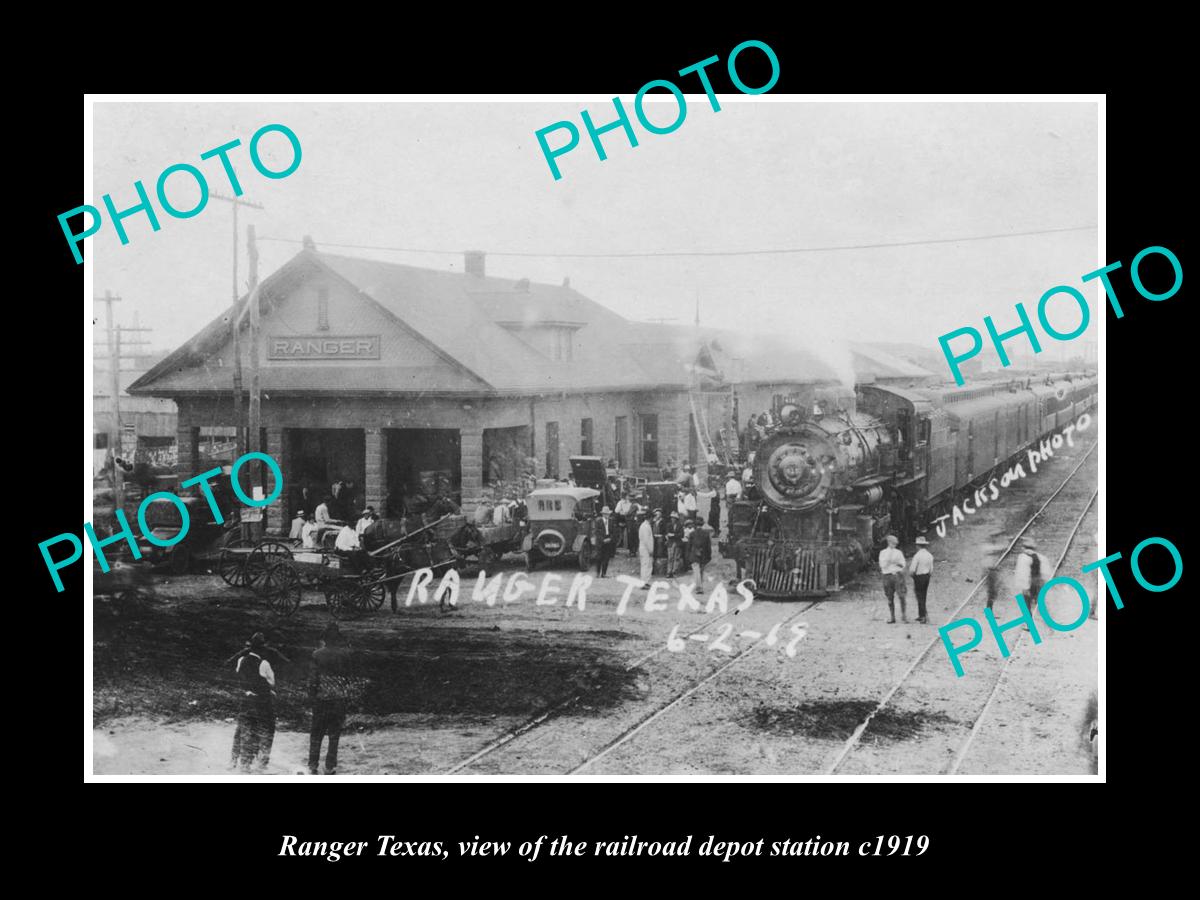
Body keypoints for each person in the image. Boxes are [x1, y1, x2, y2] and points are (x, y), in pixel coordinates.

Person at [308, 623, 359, 775]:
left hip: (321, 700)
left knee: (316, 734)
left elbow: (313, 680)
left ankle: (312, 765)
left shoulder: (316, 654)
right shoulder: (345, 655)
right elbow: (349, 678)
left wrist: (311, 698)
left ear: (325, 639)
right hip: (339, 700)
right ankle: (330, 767)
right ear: (337, 639)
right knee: (334, 735)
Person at [232, 632, 276, 773]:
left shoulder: (241, 661)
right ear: (262, 649)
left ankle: (242, 763)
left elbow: (239, 677)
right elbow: (272, 683)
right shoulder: (264, 664)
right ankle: (261, 763)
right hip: (261, 704)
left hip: (246, 701)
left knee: (244, 732)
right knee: (266, 732)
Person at [878, 534, 908, 624]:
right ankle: (892, 617)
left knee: (902, 596)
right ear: (889, 543)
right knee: (889, 597)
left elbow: (903, 564)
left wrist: (894, 563)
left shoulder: (898, 552)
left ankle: (904, 616)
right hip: (887, 576)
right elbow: (882, 565)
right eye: (892, 543)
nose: (894, 545)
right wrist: (892, 561)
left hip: (897, 575)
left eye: (895, 544)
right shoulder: (883, 553)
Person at [1014, 538, 1051, 610]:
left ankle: (1030, 618)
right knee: (1039, 602)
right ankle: (1041, 616)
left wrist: (1024, 586)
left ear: (1024, 547)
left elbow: (1022, 573)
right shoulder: (1042, 557)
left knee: (1027, 603)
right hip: (1039, 583)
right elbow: (1046, 573)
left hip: (1029, 583)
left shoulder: (1022, 557)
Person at [909, 535, 934, 624]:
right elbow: (931, 569)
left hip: (919, 577)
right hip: (927, 576)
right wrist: (928, 575)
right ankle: (921, 614)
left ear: (918, 546)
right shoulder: (929, 555)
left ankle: (923, 616)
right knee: (924, 595)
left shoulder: (917, 556)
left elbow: (912, 569)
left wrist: (913, 576)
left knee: (919, 596)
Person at [689, 516, 712, 591]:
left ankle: (699, 587)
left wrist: (688, 556)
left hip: (694, 554)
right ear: (702, 524)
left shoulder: (692, 534)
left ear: (695, 524)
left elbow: (689, 546)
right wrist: (709, 556)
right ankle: (699, 585)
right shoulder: (706, 534)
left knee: (696, 571)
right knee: (701, 571)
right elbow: (708, 546)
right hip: (703, 554)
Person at [592, 506, 616, 577]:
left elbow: (614, 532)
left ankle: (604, 573)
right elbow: (596, 532)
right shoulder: (598, 521)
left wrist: (610, 539)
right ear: (602, 514)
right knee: (599, 557)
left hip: (608, 540)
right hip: (600, 541)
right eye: (605, 514)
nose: (606, 515)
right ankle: (598, 573)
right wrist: (602, 540)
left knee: (606, 558)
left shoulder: (611, 521)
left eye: (608, 514)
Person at [637, 511, 655, 589]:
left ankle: (646, 581)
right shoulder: (645, 526)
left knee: (648, 565)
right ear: (650, 518)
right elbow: (646, 540)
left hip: (645, 548)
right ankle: (643, 582)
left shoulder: (646, 525)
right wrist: (650, 550)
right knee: (645, 565)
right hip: (645, 549)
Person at [666, 511, 685, 576]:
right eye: (671, 518)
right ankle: (669, 571)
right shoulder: (669, 525)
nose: (672, 519)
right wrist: (671, 535)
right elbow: (667, 533)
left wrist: (674, 535)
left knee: (676, 557)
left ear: (676, 519)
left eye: (674, 518)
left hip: (677, 542)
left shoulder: (680, 525)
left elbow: (681, 535)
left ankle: (674, 571)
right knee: (670, 557)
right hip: (670, 543)